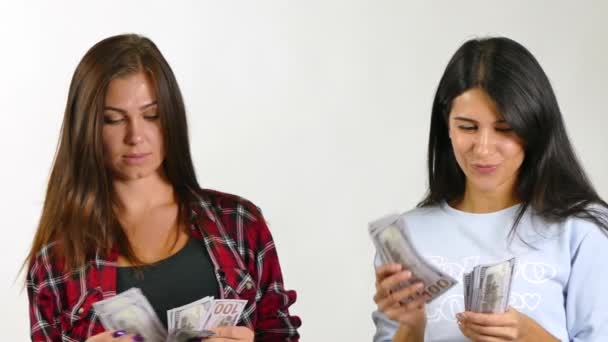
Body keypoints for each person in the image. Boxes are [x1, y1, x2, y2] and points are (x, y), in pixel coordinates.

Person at [25, 34, 300, 342]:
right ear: (86, 127)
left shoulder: (239, 223)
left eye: (151, 115)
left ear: (171, 117)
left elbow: (281, 333)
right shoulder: (56, 260)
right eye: (113, 120)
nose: (135, 135)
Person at [372, 37, 608, 342]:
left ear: (534, 127)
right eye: (467, 127)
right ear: (447, 125)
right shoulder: (408, 234)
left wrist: (526, 334)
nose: (483, 149)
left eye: (505, 129)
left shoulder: (582, 228)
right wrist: (412, 326)